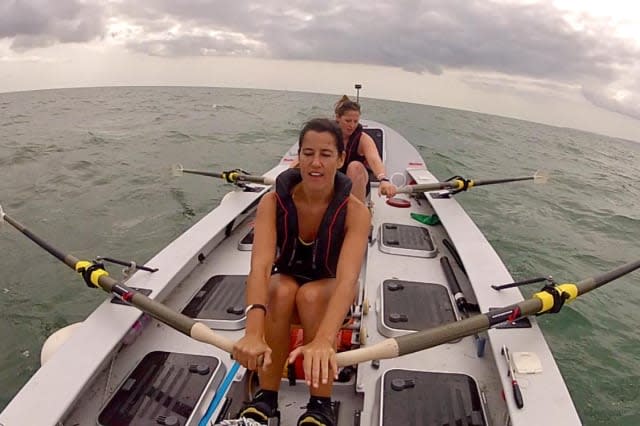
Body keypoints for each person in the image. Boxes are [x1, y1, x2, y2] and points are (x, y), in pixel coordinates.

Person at [232, 118, 370, 426]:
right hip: (287, 284)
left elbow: (348, 280)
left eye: (325, 154)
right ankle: (266, 398)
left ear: (341, 159)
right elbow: (261, 266)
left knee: (308, 296)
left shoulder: (356, 213)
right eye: (308, 153)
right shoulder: (273, 201)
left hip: (329, 289)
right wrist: (253, 332)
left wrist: (323, 339)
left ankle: (320, 405)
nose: (315, 163)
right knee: (280, 289)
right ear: (299, 156)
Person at [334, 95, 397, 202]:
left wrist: (383, 179)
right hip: (333, 182)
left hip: (357, 184)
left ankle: (357, 212)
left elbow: (374, 159)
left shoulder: (363, 139)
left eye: (355, 121)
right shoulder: (327, 135)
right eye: (348, 121)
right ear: (337, 118)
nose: (352, 125)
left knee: (355, 166)